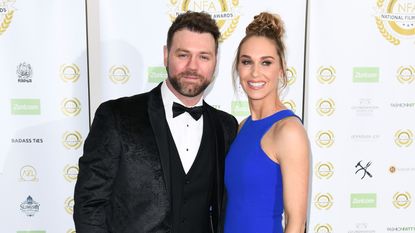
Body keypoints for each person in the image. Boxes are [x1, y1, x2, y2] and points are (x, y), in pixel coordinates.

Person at [73, 11, 238, 233]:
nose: (193, 66)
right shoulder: (116, 116)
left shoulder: (226, 126)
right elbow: (89, 204)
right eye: (183, 55)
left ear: (215, 62)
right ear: (166, 55)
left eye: (204, 57)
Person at [224, 12, 310, 233]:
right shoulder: (242, 127)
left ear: (280, 69)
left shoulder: (289, 131)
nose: (255, 72)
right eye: (246, 62)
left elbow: (296, 222)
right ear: (238, 68)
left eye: (266, 62)